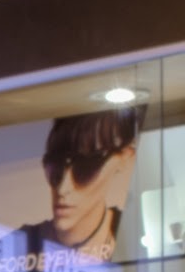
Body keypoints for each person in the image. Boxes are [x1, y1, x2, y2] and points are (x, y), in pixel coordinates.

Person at [20, 107, 144, 263]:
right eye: (55, 163)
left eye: (87, 165)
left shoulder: (136, 234)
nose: (63, 188)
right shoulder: (16, 246)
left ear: (124, 158)